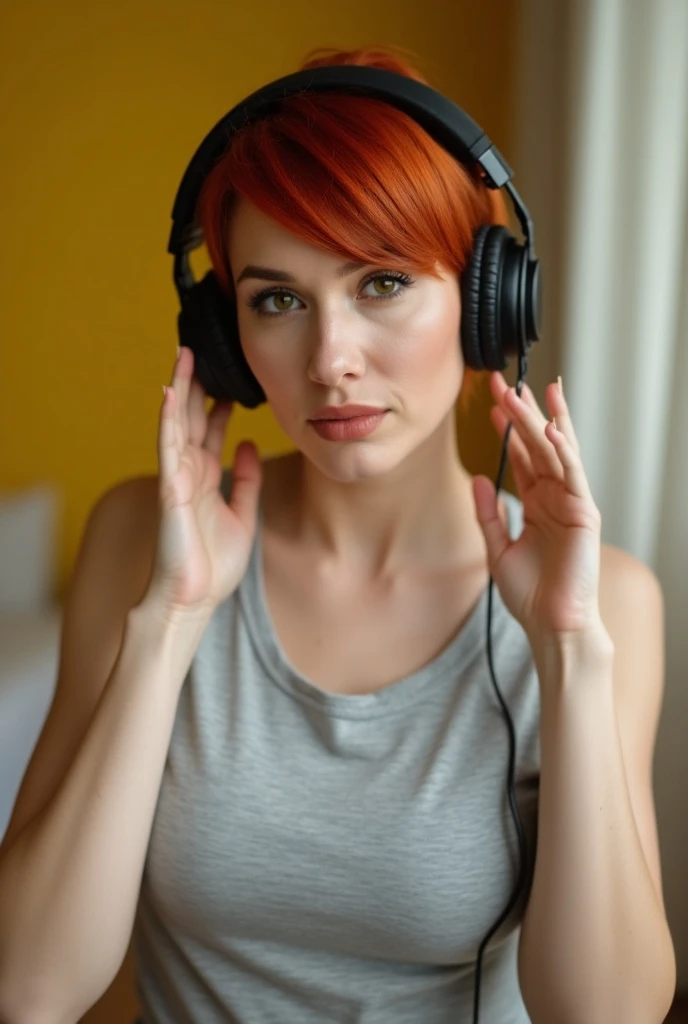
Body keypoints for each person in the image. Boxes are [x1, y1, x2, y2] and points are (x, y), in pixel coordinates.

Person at [0, 45, 675, 1024]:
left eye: (382, 284)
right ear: (225, 340)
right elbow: (28, 987)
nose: (330, 360)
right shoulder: (139, 540)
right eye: (277, 300)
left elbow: (606, 1013)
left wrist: (567, 647)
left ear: (489, 306)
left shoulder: (605, 597)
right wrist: (171, 623)